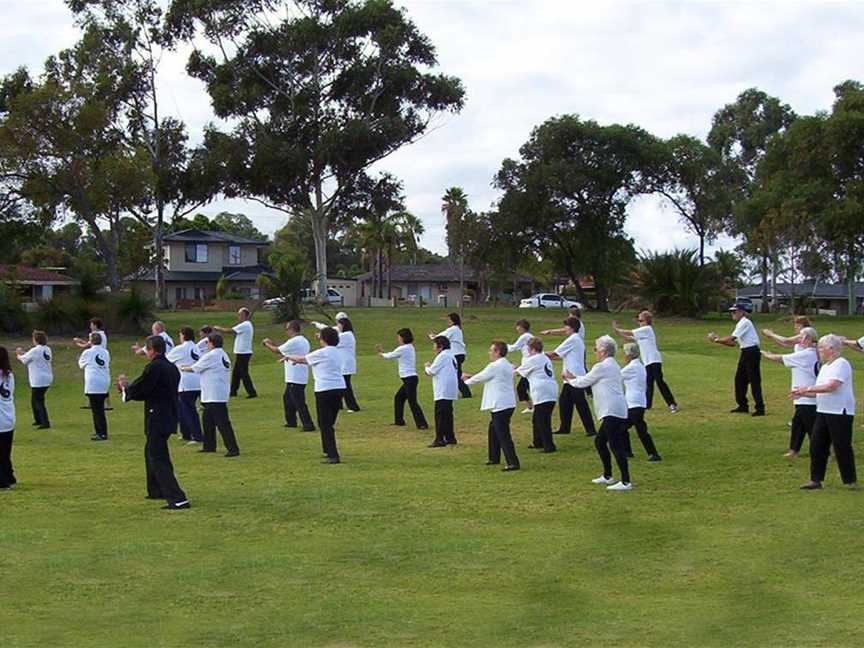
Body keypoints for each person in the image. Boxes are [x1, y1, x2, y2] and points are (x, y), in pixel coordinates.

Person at [117, 336, 191, 510]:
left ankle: (178, 498)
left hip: (158, 417)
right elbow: (151, 390)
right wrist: (128, 390)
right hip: (167, 416)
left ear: (152, 350)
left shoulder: (155, 367)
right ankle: (156, 489)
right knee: (150, 452)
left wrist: (126, 389)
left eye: (147, 350)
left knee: (158, 457)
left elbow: (143, 387)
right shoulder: (171, 367)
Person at [564, 335, 632, 491]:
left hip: (611, 410)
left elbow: (583, 383)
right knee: (600, 442)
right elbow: (588, 379)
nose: (595, 352)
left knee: (615, 446)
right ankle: (608, 476)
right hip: (614, 409)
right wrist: (574, 378)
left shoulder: (602, 367)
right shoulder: (611, 365)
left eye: (596, 349)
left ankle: (626, 481)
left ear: (603, 351)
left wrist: (568, 380)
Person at [791, 334, 859, 490]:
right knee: (817, 445)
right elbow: (819, 390)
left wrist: (807, 388)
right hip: (823, 410)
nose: (819, 350)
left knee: (842, 446)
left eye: (822, 347)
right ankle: (816, 479)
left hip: (839, 412)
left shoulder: (841, 364)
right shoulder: (825, 367)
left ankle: (850, 480)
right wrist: (802, 393)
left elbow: (831, 386)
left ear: (831, 349)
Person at [284, 327, 345, 464]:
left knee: (325, 423)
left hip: (324, 390)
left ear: (323, 339)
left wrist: (289, 357)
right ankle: (328, 450)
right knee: (329, 422)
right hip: (339, 388)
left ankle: (333, 455)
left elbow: (302, 359)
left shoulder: (322, 353)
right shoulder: (337, 352)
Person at [762, 327, 820, 457]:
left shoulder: (807, 354)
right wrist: (799, 338)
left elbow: (781, 358)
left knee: (812, 428)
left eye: (801, 337)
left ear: (808, 339)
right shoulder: (810, 351)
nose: (798, 339)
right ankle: (794, 451)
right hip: (802, 397)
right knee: (798, 425)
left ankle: (821, 451)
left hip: (808, 398)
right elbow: (787, 343)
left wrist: (768, 355)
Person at [464, 341, 520, 471]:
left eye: (491, 350)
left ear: (497, 352)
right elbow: (488, 377)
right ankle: (494, 457)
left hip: (500, 404)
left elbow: (481, 377)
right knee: (493, 429)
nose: (489, 353)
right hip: (507, 402)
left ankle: (513, 462)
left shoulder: (495, 366)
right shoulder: (507, 364)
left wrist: (466, 381)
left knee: (503, 433)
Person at [182, 334, 240, 457]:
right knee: (207, 421)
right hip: (214, 393)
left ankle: (233, 448)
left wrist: (180, 367)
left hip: (214, 394)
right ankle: (209, 446)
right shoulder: (222, 354)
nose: (207, 345)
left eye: (208, 342)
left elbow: (195, 368)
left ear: (212, 343)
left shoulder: (211, 355)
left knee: (223, 423)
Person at [612, 311, 678, 413]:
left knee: (659, 382)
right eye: (638, 320)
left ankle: (672, 404)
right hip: (647, 361)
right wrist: (619, 332)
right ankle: (648, 404)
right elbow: (630, 337)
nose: (639, 322)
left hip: (654, 360)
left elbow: (630, 332)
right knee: (649, 383)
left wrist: (619, 329)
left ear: (646, 321)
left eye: (641, 320)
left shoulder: (647, 329)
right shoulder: (642, 332)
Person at [708, 304, 765, 416]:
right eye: (732, 312)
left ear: (742, 312)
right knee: (739, 380)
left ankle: (760, 408)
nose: (732, 314)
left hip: (752, 352)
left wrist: (716, 339)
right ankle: (742, 405)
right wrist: (716, 340)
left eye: (735, 311)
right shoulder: (740, 324)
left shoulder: (745, 322)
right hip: (745, 352)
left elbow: (731, 338)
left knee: (754, 381)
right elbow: (733, 344)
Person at [546, 317, 596, 437]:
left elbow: (555, 353)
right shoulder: (576, 339)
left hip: (575, 377)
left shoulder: (573, 339)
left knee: (580, 403)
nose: (564, 329)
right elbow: (561, 356)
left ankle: (591, 429)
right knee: (564, 401)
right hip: (569, 378)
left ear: (572, 327)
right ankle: (565, 427)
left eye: (566, 326)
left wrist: (538, 355)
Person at [262, 321, 315, 432]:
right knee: (288, 399)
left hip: (295, 376)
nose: (286, 331)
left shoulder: (294, 341)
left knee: (299, 402)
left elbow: (277, 351)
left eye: (287, 329)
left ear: (291, 329)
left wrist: (267, 344)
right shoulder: (303, 340)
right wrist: (272, 343)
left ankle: (308, 424)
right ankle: (291, 421)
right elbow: (284, 350)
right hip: (297, 375)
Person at [377, 328, 428, 430]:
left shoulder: (403, 348)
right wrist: (385, 354)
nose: (398, 339)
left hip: (410, 379)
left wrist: (382, 354)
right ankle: (399, 421)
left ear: (403, 338)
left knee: (412, 402)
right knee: (399, 398)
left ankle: (422, 424)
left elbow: (391, 355)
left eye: (399, 337)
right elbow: (395, 355)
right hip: (409, 379)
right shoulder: (409, 347)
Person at [515, 337, 558, 453]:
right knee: (537, 419)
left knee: (543, 421)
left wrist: (512, 368)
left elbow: (519, 373)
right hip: (551, 390)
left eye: (528, 348)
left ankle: (549, 446)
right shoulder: (544, 357)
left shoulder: (533, 359)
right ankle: (538, 441)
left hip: (542, 392)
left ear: (532, 348)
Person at [620, 343, 662, 462]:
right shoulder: (640, 365)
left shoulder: (631, 368)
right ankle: (651, 453)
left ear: (628, 355)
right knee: (640, 429)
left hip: (633, 403)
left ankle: (629, 452)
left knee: (622, 428)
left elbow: (616, 376)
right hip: (639, 402)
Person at [166, 327, 204, 444]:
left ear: (183, 335)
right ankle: (186, 433)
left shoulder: (181, 348)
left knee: (189, 410)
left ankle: (197, 436)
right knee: (182, 409)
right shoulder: (197, 348)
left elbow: (166, 360)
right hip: (198, 381)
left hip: (186, 382)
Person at [214, 308, 257, 399]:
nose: (238, 317)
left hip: (244, 352)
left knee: (243, 373)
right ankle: (233, 391)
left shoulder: (245, 325)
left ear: (245, 315)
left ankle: (252, 392)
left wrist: (219, 328)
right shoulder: (244, 325)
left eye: (240, 315)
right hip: (241, 352)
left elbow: (230, 331)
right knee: (236, 373)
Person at [424, 336, 459, 448]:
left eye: (434, 345)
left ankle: (440, 439)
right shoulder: (451, 355)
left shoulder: (442, 356)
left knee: (440, 415)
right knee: (448, 414)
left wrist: (427, 367)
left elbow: (432, 371)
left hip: (443, 390)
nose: (433, 348)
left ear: (440, 346)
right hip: (450, 389)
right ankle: (450, 437)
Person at [15, 330, 53, 429]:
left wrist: (19, 355)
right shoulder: (47, 349)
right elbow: (31, 356)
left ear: (36, 340)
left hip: (38, 379)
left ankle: (45, 422)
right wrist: (24, 353)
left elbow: (24, 360)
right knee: (35, 399)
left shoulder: (35, 350)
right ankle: (38, 419)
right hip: (47, 377)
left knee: (38, 400)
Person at [428, 313, 471, 398]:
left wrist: (433, 337)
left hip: (456, 354)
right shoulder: (457, 329)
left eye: (449, 319)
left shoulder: (453, 329)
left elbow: (442, 337)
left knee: (456, 375)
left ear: (453, 321)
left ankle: (466, 393)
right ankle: (464, 392)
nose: (448, 321)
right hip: (459, 354)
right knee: (456, 374)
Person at [78, 332, 111, 441]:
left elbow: (81, 365)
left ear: (91, 341)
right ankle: (102, 431)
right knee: (100, 408)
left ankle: (101, 433)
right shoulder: (106, 352)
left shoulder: (87, 352)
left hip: (94, 383)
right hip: (104, 381)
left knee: (97, 410)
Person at [508, 319, 534, 414]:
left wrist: (502, 346)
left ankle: (532, 406)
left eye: (518, 326)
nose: (517, 328)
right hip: (528, 364)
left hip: (529, 365)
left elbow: (514, 347)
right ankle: (531, 406)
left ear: (522, 327)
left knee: (522, 387)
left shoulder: (525, 336)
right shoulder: (529, 336)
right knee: (526, 386)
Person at [335, 317, 361, 411]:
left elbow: (335, 342)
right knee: (341, 384)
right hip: (344, 363)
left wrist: (322, 336)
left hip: (345, 364)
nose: (338, 326)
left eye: (339, 324)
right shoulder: (347, 335)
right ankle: (338, 404)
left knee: (346, 386)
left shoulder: (346, 335)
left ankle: (353, 406)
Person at [0, 347, 16, 490]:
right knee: (5, 451)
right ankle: (9, 476)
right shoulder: (9, 375)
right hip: (8, 416)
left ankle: (3, 482)